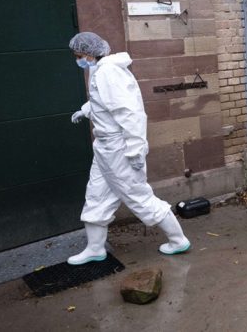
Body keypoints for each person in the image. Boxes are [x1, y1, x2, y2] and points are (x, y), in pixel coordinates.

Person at [67, 32, 190, 265]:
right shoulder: (100, 70)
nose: (78, 60)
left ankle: (178, 240)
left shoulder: (109, 72)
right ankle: (95, 248)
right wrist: (85, 110)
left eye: (79, 55)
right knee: (96, 195)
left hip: (118, 148)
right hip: (104, 147)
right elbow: (103, 103)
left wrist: (135, 149)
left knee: (137, 195)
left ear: (89, 53)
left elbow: (129, 112)